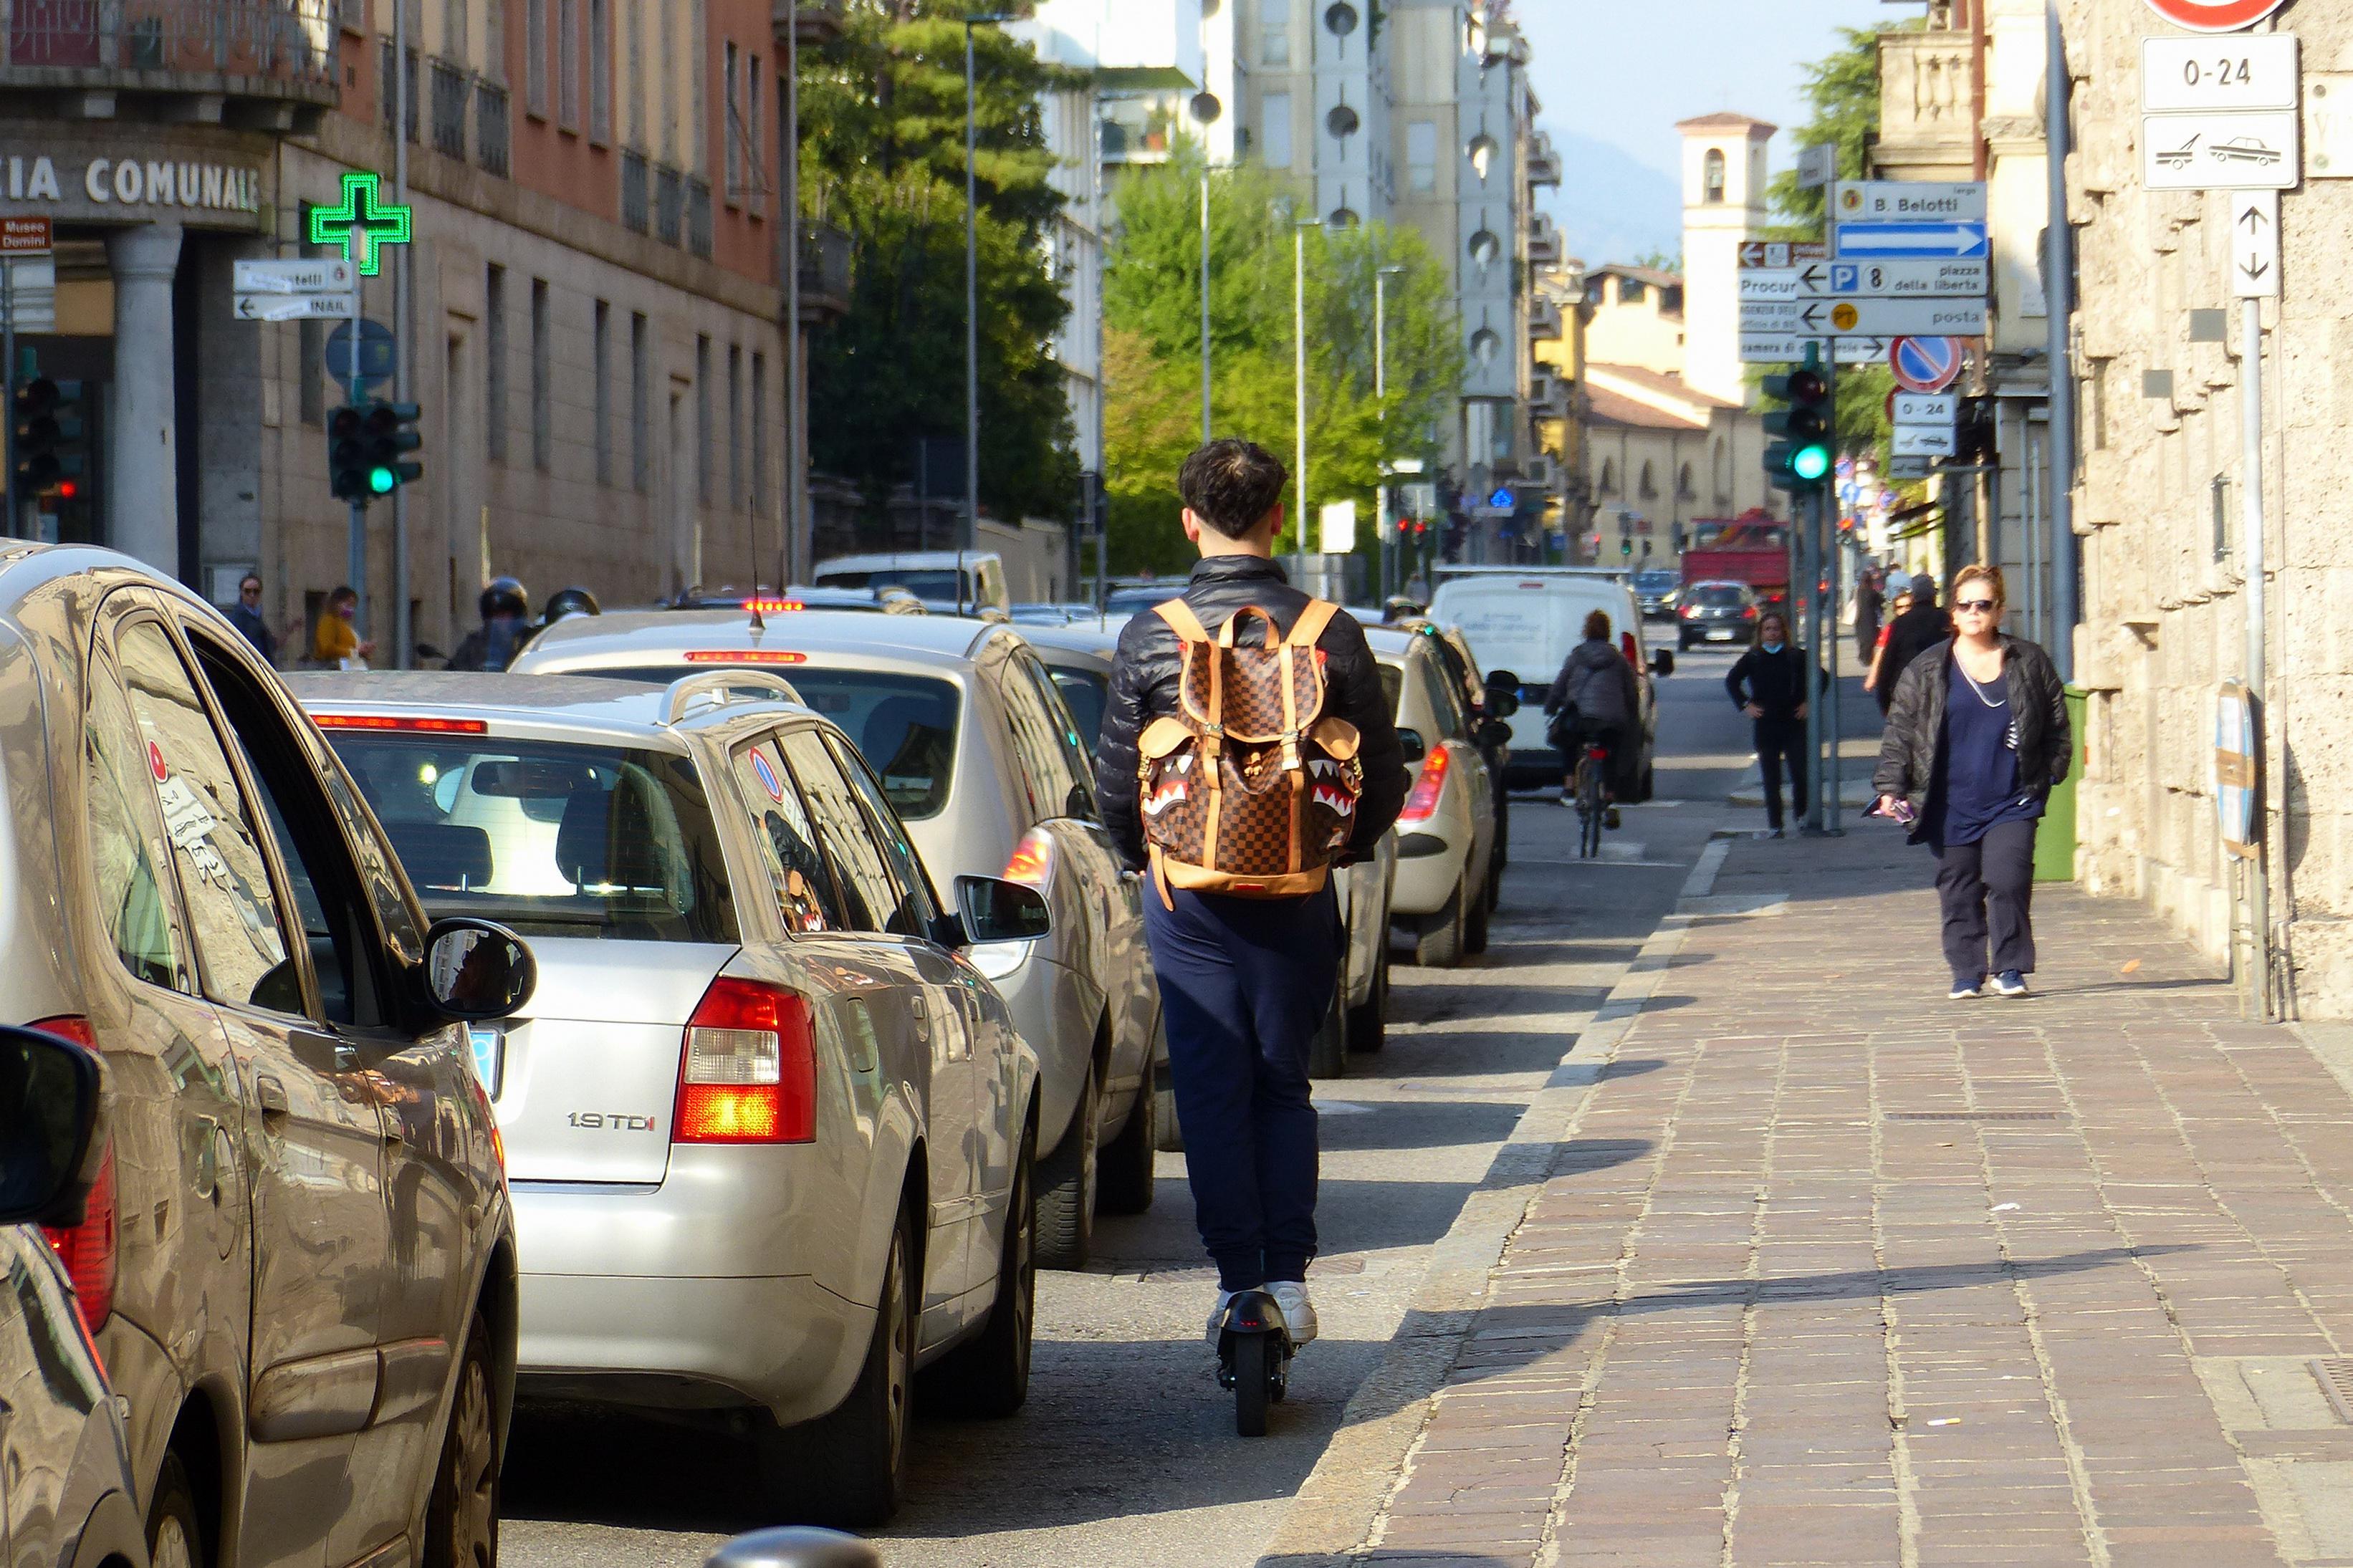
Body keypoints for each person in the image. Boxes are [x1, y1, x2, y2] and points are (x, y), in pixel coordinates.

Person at [1095, 438, 1406, 1352]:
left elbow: (1117, 782)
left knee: (1209, 1090)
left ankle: (1236, 1282)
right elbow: (1379, 779)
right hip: (1295, 896)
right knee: (1282, 1082)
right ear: (1279, 516)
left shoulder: (1152, 633)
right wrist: (1329, 852)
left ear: (1189, 522)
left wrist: (1144, 858)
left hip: (1187, 899)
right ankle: (1290, 1278)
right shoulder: (1329, 631)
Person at [1873, 564, 2071, 1000]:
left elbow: (2057, 721)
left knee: (2007, 878)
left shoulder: (2028, 660)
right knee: (1958, 885)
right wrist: (1891, 787)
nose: (1974, 612)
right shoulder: (1928, 668)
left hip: (2012, 797)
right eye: (1966, 605)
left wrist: (2050, 772)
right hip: (1948, 800)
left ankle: (2010, 967)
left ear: (1999, 611)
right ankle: (1966, 971)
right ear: (1954, 613)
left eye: (1984, 604)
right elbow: (1901, 731)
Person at [1725, 610, 1826, 837]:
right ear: (1761, 634)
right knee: (1771, 778)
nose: (1772, 634)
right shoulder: (1753, 658)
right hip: (1766, 724)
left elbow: (1822, 677)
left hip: (1793, 722)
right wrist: (1745, 705)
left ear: (1784, 632)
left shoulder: (1796, 656)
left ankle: (1801, 815)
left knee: (1800, 773)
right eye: (1767, 629)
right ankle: (1775, 825)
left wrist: (1809, 702)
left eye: (1776, 629)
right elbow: (1732, 681)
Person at [1543, 608, 1639, 819]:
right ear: (1608, 632)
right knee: (1611, 752)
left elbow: (1560, 686)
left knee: (1568, 740)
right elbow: (1631, 692)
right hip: (1611, 720)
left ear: (1586, 631)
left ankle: (1569, 787)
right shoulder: (1619, 660)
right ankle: (1610, 797)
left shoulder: (1577, 656)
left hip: (1582, 719)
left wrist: (1550, 707)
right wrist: (1631, 714)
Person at [1874, 572, 1950, 717]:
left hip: (1908, 692)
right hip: (1942, 693)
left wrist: (1885, 704)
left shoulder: (1899, 625)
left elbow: (1887, 666)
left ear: (1913, 597)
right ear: (1934, 595)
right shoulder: (1947, 620)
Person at [449, 575, 533, 672]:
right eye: (494, 615)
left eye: (504, 615)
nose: (498, 621)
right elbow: (453, 673)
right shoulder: (473, 645)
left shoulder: (530, 643)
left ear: (518, 614)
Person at [226, 572, 300, 666]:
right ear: (241, 593)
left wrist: (290, 630)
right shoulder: (237, 617)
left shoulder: (257, 616)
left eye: (256, 591)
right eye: (248, 591)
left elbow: (272, 645)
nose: (252, 595)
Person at [1864, 588, 1913, 701]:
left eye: (1908, 606)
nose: (1905, 610)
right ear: (1896, 610)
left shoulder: (1920, 625)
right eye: (1900, 607)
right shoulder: (1891, 629)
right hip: (1898, 677)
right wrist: (1872, 677)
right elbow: (1880, 652)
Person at [310, 585, 375, 669]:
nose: (351, 609)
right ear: (336, 603)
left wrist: (363, 651)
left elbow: (349, 647)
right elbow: (326, 648)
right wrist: (354, 652)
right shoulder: (328, 620)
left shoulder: (344, 624)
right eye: (348, 604)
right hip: (336, 670)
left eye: (353, 606)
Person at [1853, 568, 1885, 665]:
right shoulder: (1872, 592)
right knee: (1871, 638)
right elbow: (1880, 603)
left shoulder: (1857, 592)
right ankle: (1868, 657)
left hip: (1859, 618)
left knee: (1862, 638)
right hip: (1870, 618)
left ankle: (1863, 656)